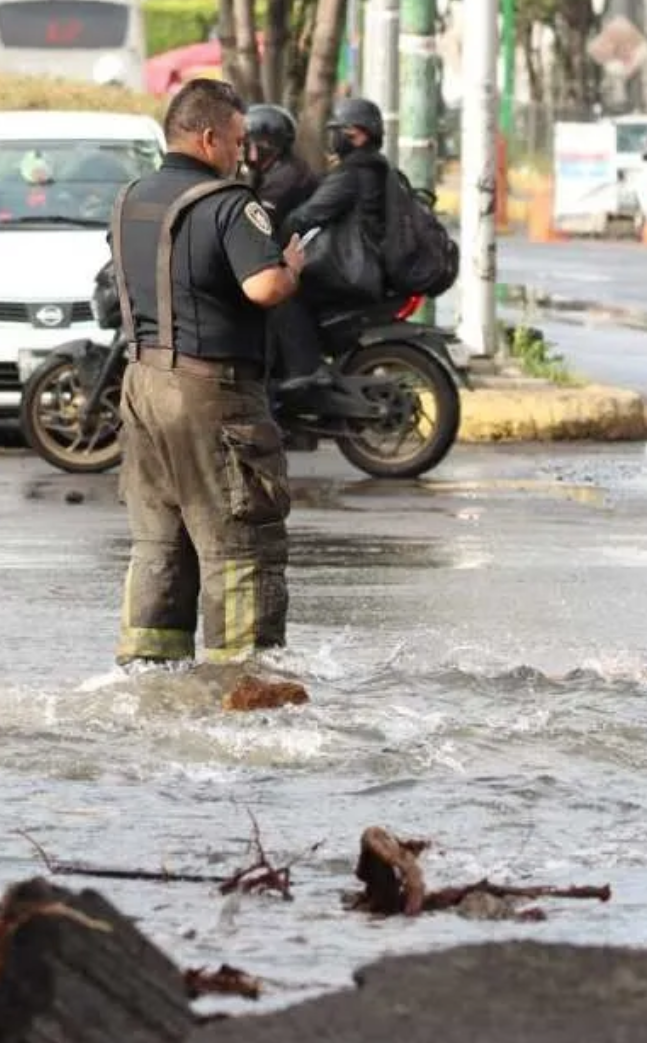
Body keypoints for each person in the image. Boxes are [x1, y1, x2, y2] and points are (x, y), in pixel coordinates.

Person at [107, 78, 307, 669]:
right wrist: (290, 266)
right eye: (238, 140)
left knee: (159, 542)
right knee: (240, 541)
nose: (242, 153)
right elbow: (264, 286)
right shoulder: (230, 204)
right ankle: (243, 678)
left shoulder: (131, 199)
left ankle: (148, 673)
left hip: (142, 386)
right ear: (209, 136)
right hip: (211, 392)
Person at [276, 97, 393, 390]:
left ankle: (305, 369)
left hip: (352, 269)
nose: (334, 138)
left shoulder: (352, 174)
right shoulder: (376, 168)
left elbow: (307, 216)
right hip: (364, 265)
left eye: (339, 131)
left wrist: (275, 233)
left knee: (283, 290)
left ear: (358, 134)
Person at [242, 103, 318, 238]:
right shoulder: (274, 170)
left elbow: (257, 222)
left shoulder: (286, 175)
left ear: (268, 145)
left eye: (249, 143)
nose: (244, 149)